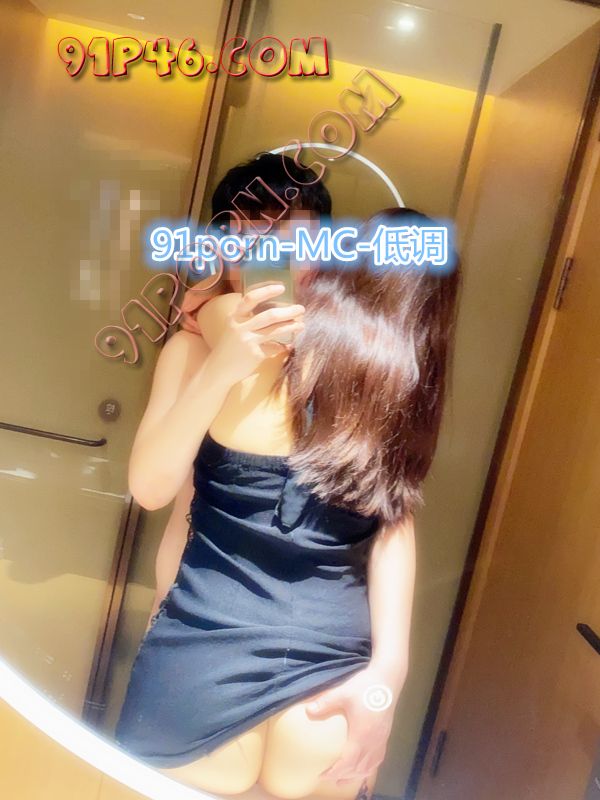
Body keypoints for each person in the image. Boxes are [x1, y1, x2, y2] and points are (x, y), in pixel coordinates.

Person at [115, 159, 461, 800]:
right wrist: (221, 363)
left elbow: (391, 520)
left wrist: (386, 680)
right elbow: (156, 490)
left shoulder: (359, 361)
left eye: (290, 239)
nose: (266, 254)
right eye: (246, 235)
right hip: (218, 643)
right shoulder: (196, 349)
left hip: (308, 670)